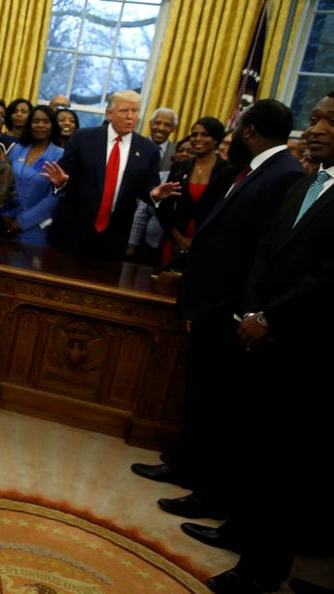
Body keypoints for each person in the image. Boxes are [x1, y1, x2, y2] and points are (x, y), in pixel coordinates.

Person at [130, 100, 305, 541]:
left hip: (229, 310)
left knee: (218, 404)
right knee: (201, 393)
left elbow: (260, 254)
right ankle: (186, 466)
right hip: (211, 304)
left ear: (250, 131)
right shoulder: (253, 170)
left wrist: (235, 309)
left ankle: (206, 489)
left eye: (236, 126)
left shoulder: (283, 174)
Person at [203, 91, 334, 594]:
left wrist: (272, 316)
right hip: (260, 333)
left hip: (305, 346)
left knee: (285, 464)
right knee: (254, 446)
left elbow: (327, 275)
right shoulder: (305, 183)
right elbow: (266, 251)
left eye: (329, 121)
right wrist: (252, 311)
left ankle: (262, 571)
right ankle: (241, 535)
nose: (315, 129)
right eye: (314, 118)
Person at [45, 90, 167, 260]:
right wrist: (60, 183)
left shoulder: (148, 149)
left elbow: (148, 188)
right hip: (73, 228)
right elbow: (64, 174)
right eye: (124, 111)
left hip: (114, 237)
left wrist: (154, 194)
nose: (130, 116)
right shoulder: (83, 138)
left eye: (135, 111)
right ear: (109, 114)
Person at [155, 116, 232, 267]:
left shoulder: (228, 171)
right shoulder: (180, 167)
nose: (198, 139)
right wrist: (179, 238)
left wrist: (196, 241)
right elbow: (164, 206)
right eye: (195, 134)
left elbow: (227, 214)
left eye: (204, 135)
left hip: (208, 246)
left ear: (216, 139)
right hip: (174, 242)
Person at [5, 105, 64, 246]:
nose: (40, 125)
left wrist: (21, 222)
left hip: (38, 229)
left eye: (46, 121)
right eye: (36, 121)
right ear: (29, 125)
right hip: (7, 224)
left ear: (52, 125)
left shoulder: (60, 155)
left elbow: (54, 198)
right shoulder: (17, 149)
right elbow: (5, 184)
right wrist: (6, 216)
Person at [149, 107, 179, 174]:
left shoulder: (177, 152)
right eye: (158, 123)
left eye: (167, 125)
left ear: (173, 129)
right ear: (150, 124)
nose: (161, 128)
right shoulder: (136, 145)